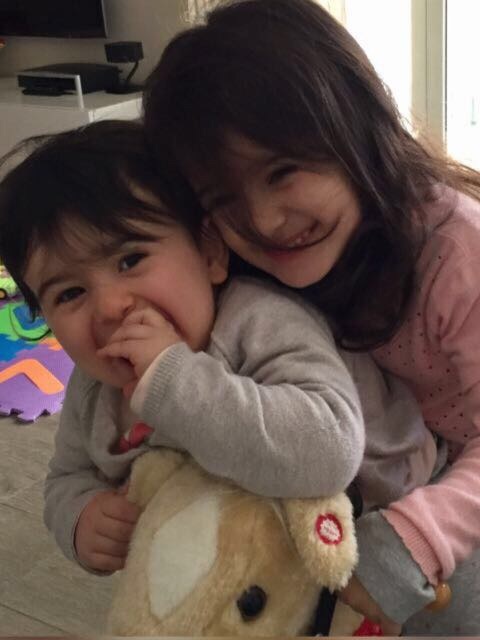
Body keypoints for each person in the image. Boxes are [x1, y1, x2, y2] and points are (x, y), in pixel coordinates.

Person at [141, 0, 480, 634]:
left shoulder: (456, 251)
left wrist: (417, 535)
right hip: (391, 453)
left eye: (283, 172)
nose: (265, 222)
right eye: (224, 198)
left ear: (358, 126)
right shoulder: (253, 271)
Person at [0, 120, 432, 610]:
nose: (109, 308)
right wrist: (80, 517)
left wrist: (175, 381)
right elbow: (66, 477)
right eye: (70, 293)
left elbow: (330, 453)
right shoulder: (93, 389)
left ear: (209, 251)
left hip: (385, 515)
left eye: (130, 260)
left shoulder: (259, 322)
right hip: (250, 554)